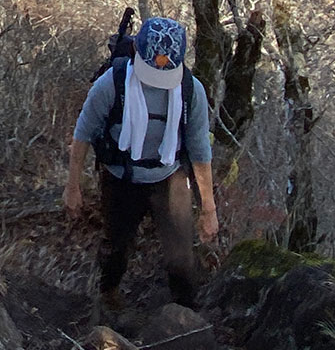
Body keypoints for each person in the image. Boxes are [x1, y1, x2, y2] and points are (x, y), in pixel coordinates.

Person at [63, 16, 219, 312]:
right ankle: (108, 297)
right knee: (116, 248)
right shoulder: (111, 83)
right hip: (120, 175)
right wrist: (73, 187)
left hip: (169, 175)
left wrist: (208, 209)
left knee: (182, 258)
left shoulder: (190, 91)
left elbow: (200, 149)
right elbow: (82, 134)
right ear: (136, 50)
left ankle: (185, 318)